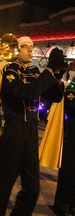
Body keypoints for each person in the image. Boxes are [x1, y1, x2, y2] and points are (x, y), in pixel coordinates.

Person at [0, 36, 65, 216]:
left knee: (32, 190)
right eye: (25, 47)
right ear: (15, 50)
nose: (31, 50)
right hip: (14, 132)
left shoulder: (34, 71)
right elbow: (26, 92)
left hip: (30, 132)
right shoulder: (9, 71)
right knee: (2, 189)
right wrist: (49, 69)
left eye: (32, 46)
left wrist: (58, 76)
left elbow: (55, 97)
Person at [53, 63, 75, 216]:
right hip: (73, 135)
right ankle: (61, 204)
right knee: (68, 170)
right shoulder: (72, 87)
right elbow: (71, 105)